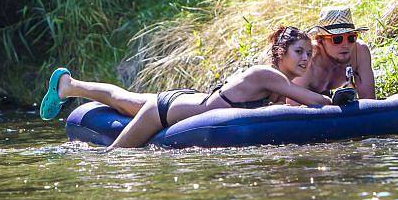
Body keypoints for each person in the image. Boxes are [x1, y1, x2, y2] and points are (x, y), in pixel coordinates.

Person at [39, 26, 334, 148]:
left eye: (309, 54)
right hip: (165, 111)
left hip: (187, 100)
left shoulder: (277, 85)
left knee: (122, 99)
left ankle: (69, 85)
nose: (306, 59)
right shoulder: (268, 76)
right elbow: (312, 100)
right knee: (117, 156)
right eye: (299, 52)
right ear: (281, 53)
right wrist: (339, 99)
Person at [293, 6, 376, 99]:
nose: (345, 45)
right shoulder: (306, 58)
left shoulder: (359, 51)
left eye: (351, 38)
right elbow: (293, 105)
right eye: (337, 39)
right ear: (320, 40)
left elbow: (369, 99)